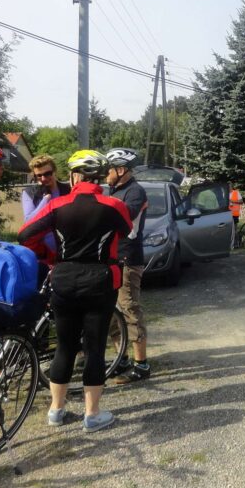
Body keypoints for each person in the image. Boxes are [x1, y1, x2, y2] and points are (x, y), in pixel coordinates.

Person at [18, 150, 132, 432]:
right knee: (94, 348)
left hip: (64, 278)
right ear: (100, 177)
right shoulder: (114, 205)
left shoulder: (57, 205)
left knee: (65, 345)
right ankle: (92, 415)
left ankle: (56, 411)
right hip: (100, 280)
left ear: (73, 175)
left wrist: (47, 253)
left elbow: (24, 234)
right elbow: (127, 231)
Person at [104, 148, 151, 383]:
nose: (105, 174)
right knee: (111, 312)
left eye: (108, 169)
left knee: (130, 308)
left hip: (128, 259)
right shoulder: (115, 190)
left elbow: (122, 220)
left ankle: (141, 364)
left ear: (121, 170)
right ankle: (121, 357)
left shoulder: (135, 191)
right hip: (111, 259)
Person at [21, 155, 71, 261]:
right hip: (42, 253)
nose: (44, 179)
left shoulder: (68, 190)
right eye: (39, 176)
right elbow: (29, 221)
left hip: (68, 249)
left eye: (48, 174)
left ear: (54, 171)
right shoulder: (29, 193)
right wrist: (45, 200)